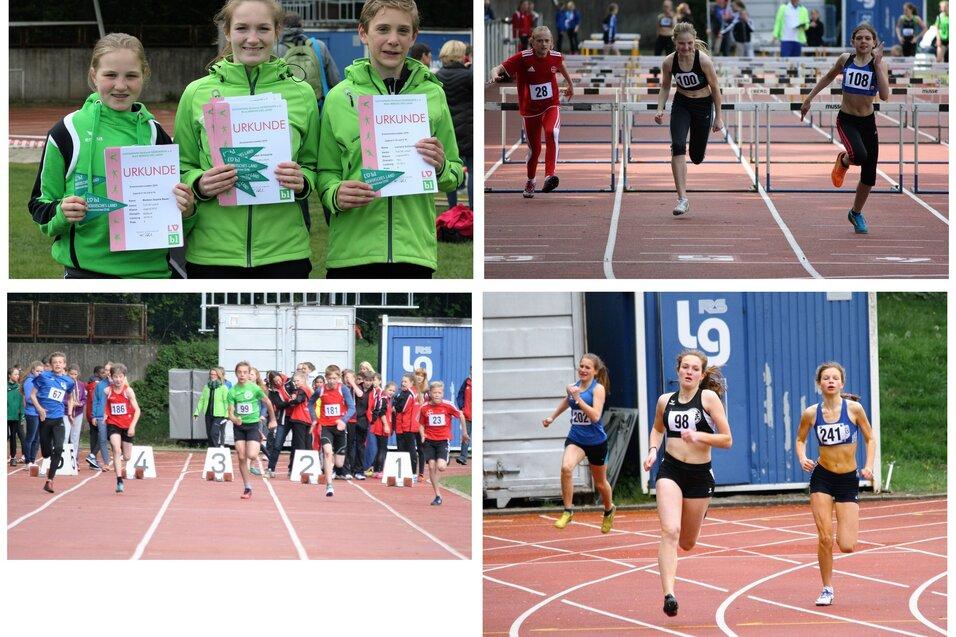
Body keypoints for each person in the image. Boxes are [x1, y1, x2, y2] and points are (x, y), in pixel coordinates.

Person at [316, 0, 464, 278]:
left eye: (402, 31)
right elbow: (324, 171)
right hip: (352, 253)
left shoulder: (433, 95)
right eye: (383, 29)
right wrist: (335, 193)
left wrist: (442, 165)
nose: (393, 40)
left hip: (414, 252)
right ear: (363, 33)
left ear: (413, 36)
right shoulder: (339, 97)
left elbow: (454, 174)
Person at [28, 33, 194, 278]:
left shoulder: (155, 134)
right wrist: (62, 212)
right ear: (94, 75)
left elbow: (179, 217)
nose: (120, 86)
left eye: (131, 76)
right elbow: (39, 207)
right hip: (87, 273)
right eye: (110, 75)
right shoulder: (67, 132)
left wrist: (188, 209)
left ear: (144, 76)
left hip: (154, 273)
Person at [175, 0, 318, 278]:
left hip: (285, 252)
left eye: (263, 28)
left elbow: (315, 166)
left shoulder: (302, 94)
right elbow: (181, 166)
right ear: (227, 31)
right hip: (211, 253)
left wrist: (302, 182)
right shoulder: (196, 93)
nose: (252, 39)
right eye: (242, 28)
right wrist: (199, 184)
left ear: (277, 31)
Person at [643, 350, 732, 617]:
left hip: (699, 475)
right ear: (678, 370)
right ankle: (669, 594)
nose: (689, 372)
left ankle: (700, 510)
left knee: (688, 542)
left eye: (695, 368)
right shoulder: (665, 401)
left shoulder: (708, 398)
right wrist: (651, 450)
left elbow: (727, 439)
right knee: (669, 530)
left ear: (702, 375)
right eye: (685, 367)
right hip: (670, 469)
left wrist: (699, 437)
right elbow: (658, 428)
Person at [795, 362, 875, 607]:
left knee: (847, 545)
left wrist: (869, 466)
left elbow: (870, 438)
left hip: (848, 479)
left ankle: (844, 535)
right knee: (824, 538)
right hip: (823, 477)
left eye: (835, 378)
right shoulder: (811, 413)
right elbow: (800, 439)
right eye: (826, 378)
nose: (830, 381)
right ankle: (827, 588)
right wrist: (802, 458)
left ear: (842, 383)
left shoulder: (855, 410)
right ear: (819, 384)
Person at [801, 24, 888, 235]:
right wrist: (809, 98)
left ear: (874, 42)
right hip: (847, 120)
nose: (864, 41)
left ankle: (855, 213)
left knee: (869, 176)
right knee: (858, 155)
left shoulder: (880, 65)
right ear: (853, 42)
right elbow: (828, 77)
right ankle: (844, 160)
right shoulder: (845, 59)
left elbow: (884, 96)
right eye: (859, 38)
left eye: (868, 38)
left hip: (868, 122)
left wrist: (876, 66)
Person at [490, 26, 573, 199]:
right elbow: (497, 68)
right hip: (530, 111)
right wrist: (494, 75)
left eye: (547, 41)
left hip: (551, 105)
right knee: (534, 150)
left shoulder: (556, 57)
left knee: (552, 132)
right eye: (540, 41)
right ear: (532, 42)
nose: (543, 44)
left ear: (551, 43)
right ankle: (530, 180)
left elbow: (562, 67)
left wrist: (570, 84)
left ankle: (550, 175)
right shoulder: (523, 57)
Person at [654, 22, 724, 216]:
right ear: (675, 42)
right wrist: (660, 109)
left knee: (696, 157)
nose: (685, 48)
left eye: (689, 43)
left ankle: (697, 153)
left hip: (702, 106)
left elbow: (715, 89)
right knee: (677, 146)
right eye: (682, 44)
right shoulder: (669, 62)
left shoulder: (704, 61)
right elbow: (665, 86)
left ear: (694, 42)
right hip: (681, 104)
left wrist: (719, 117)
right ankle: (682, 199)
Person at [542, 354, 616, 533]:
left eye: (587, 367)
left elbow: (596, 416)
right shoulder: (573, 387)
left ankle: (608, 509)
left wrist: (579, 399)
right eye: (581, 366)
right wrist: (552, 417)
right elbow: (567, 402)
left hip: (596, 442)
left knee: (600, 484)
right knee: (566, 468)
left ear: (595, 371)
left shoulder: (597, 389)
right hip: (576, 438)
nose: (583, 370)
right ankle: (568, 510)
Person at [227, 361, 277, 499]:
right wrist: (234, 419)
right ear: (236, 373)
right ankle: (247, 487)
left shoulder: (255, 389)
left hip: (253, 425)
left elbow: (267, 402)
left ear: (249, 374)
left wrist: (272, 420)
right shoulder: (232, 391)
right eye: (239, 372)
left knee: (252, 455)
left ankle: (257, 438)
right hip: (239, 426)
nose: (242, 375)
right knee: (241, 457)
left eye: (245, 372)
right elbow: (230, 412)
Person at [275, 10, 341, 111]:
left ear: (281, 27)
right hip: (316, 107)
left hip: (289, 109)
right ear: (301, 24)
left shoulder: (276, 50)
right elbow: (335, 80)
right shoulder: (318, 46)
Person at [30, 352, 75, 494]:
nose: (57, 364)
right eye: (55, 362)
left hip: (58, 419)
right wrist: (40, 409)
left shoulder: (68, 381)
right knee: (46, 452)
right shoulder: (43, 377)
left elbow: (70, 397)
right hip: (44, 419)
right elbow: (32, 395)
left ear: (64, 365)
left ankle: (50, 480)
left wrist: (70, 411)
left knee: (59, 448)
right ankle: (46, 453)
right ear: (50, 364)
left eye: (60, 362)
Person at [418, 381, 468, 505]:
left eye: (439, 393)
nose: (437, 395)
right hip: (429, 440)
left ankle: (445, 458)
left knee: (441, 467)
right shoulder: (424, 407)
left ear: (443, 393)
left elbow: (461, 415)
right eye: (434, 393)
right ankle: (438, 495)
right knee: (430, 466)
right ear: (430, 393)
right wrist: (422, 434)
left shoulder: (448, 405)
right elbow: (421, 424)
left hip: (443, 440)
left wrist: (464, 433)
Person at [436, 40, 473, 209]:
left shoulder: (437, 77)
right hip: (468, 128)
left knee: (449, 169)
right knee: (472, 172)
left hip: (446, 129)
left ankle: (452, 208)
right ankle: (473, 209)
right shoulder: (468, 75)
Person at [316, 365, 354, 496]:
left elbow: (352, 408)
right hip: (326, 427)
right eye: (329, 378)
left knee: (339, 463)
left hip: (339, 428)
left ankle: (332, 468)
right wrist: (314, 418)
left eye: (335, 378)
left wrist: (344, 420)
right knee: (327, 452)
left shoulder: (343, 389)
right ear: (326, 378)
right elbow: (310, 403)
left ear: (339, 378)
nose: (332, 381)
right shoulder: (321, 390)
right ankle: (329, 485)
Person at [104, 364, 140, 494]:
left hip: (127, 425)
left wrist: (132, 426)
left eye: (120, 377)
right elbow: (104, 406)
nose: (118, 379)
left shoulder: (128, 391)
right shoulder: (107, 391)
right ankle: (119, 480)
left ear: (124, 377)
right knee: (116, 449)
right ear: (111, 377)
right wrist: (103, 414)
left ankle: (119, 463)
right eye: (115, 377)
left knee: (127, 456)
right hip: (113, 424)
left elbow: (137, 410)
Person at [194, 367, 230, 448]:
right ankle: (212, 451)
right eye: (211, 374)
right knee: (209, 434)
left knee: (214, 433)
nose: (212, 376)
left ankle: (216, 450)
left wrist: (227, 415)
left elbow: (226, 402)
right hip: (208, 414)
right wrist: (196, 413)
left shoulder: (223, 387)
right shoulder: (206, 387)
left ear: (218, 375)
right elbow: (201, 400)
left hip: (219, 415)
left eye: (214, 374)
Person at [392, 373, 420, 478]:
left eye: (405, 382)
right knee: (401, 449)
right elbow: (395, 403)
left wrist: (395, 408)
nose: (403, 383)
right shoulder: (400, 393)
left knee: (411, 449)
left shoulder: (409, 394)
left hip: (407, 426)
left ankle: (413, 473)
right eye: (402, 381)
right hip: (400, 425)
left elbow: (402, 408)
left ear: (411, 383)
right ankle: (402, 473)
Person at [89, 362, 113, 470]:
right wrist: (93, 415)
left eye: (109, 369)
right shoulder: (100, 384)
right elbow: (95, 400)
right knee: (103, 439)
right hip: (100, 415)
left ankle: (117, 458)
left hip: (114, 416)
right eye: (106, 370)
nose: (107, 372)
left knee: (113, 438)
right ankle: (106, 463)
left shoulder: (118, 383)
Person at [371, 381, 396, 477]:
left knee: (380, 448)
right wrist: (386, 425)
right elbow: (382, 413)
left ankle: (376, 470)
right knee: (383, 449)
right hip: (381, 427)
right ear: (385, 389)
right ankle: (380, 470)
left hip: (382, 427)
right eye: (390, 390)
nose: (391, 392)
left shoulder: (388, 400)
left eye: (393, 391)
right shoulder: (384, 399)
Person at [65, 364, 87, 468]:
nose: (73, 376)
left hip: (78, 413)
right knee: (65, 436)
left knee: (75, 437)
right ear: (67, 373)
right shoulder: (63, 383)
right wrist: (69, 403)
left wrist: (80, 403)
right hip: (65, 413)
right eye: (71, 374)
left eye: (75, 374)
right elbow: (62, 398)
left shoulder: (81, 385)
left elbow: (84, 398)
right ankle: (63, 459)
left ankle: (74, 460)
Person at [22, 362, 43, 471]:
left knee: (37, 438)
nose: (39, 373)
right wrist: (40, 402)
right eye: (37, 371)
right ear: (32, 370)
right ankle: (27, 461)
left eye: (41, 371)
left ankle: (33, 460)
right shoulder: (29, 381)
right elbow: (29, 399)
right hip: (31, 413)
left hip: (39, 413)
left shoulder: (40, 381)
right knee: (30, 437)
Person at [7, 367, 25, 466]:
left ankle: (13, 457)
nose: (17, 376)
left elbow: (22, 404)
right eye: (15, 374)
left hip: (15, 417)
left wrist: (22, 415)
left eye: (18, 374)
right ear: (9, 375)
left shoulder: (19, 387)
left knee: (13, 437)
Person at [456, 368, 472, 465]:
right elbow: (460, 395)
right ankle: (463, 457)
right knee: (465, 435)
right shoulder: (467, 382)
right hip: (467, 414)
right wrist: (462, 407)